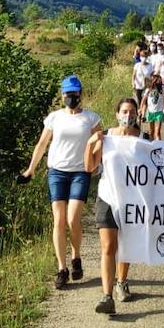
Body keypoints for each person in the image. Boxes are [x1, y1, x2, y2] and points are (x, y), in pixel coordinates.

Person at [21, 75, 103, 289]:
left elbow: (99, 143)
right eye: (68, 93)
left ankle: (76, 256)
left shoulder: (91, 118)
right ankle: (62, 268)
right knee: (58, 220)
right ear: (62, 94)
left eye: (75, 93)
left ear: (81, 94)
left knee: (73, 218)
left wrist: (95, 164)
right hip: (57, 171)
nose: (71, 97)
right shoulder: (54, 118)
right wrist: (31, 169)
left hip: (80, 172)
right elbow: (42, 144)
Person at [86, 97, 143, 314]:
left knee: (125, 244)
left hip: (131, 200)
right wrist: (91, 144)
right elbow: (90, 167)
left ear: (137, 114)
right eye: (124, 112)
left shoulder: (142, 140)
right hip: (108, 197)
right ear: (117, 114)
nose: (128, 115)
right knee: (108, 247)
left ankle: (122, 282)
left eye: (131, 111)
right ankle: (107, 295)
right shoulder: (107, 138)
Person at [142, 73, 164, 140]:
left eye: (160, 81)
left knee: (158, 132)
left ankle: (158, 145)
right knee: (151, 131)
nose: (158, 83)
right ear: (153, 81)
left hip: (159, 112)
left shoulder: (163, 91)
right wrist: (141, 110)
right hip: (150, 112)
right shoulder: (149, 90)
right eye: (157, 81)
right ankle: (151, 144)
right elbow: (144, 100)